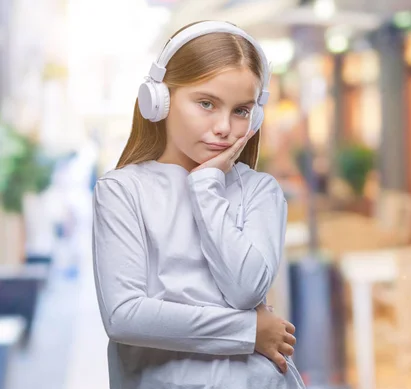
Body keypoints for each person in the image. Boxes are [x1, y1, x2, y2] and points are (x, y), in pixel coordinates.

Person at [92, 20, 305, 389]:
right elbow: (124, 316)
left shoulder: (260, 190)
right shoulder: (122, 190)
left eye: (241, 111)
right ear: (158, 100)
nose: (224, 127)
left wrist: (206, 184)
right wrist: (248, 330)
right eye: (206, 103)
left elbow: (246, 288)